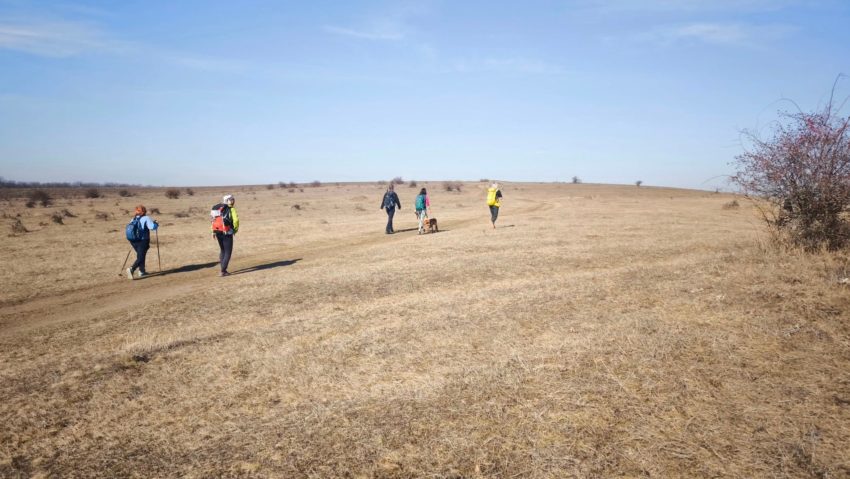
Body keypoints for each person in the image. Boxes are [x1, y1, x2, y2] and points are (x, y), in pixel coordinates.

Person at [126, 205, 158, 279]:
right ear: (143, 212)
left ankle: (142, 271)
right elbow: (152, 227)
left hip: (133, 241)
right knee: (141, 256)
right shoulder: (146, 218)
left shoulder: (133, 219)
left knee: (140, 255)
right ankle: (131, 269)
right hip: (143, 240)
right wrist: (156, 224)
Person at [211, 194, 239, 277]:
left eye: (233, 199)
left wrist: (212, 231)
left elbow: (212, 220)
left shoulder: (217, 208)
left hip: (217, 231)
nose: (233, 201)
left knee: (222, 250)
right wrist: (235, 230)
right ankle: (223, 271)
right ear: (227, 201)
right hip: (227, 232)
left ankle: (223, 269)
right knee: (228, 252)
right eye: (231, 200)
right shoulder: (231, 209)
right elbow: (236, 221)